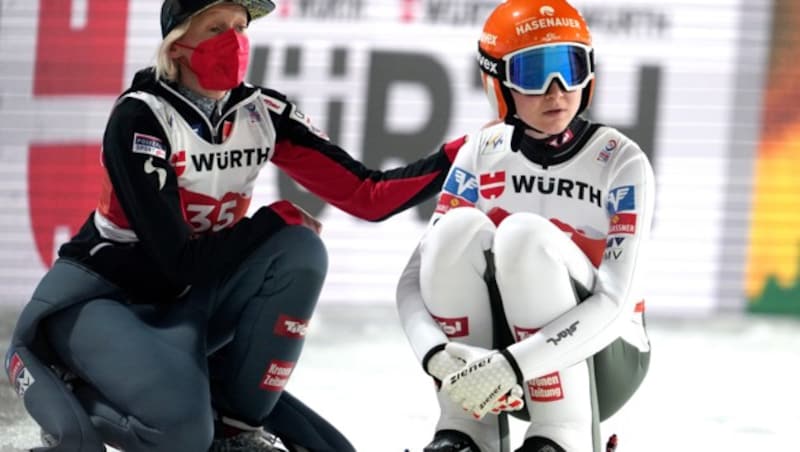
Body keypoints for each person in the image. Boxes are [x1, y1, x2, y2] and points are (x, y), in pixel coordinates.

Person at [4, 1, 465, 451]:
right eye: (215, 28)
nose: (234, 41)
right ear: (177, 44)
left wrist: (469, 150)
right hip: (105, 296)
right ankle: (71, 373)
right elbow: (177, 261)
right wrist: (270, 220)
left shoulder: (262, 112)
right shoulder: (141, 115)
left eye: (240, 27)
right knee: (182, 437)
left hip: (185, 300)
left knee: (300, 250)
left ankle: (235, 425)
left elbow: (369, 196)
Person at [396, 1, 654, 451]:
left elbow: (618, 300)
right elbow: (414, 279)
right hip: (494, 370)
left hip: (605, 360)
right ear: (498, 83)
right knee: (454, 230)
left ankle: (563, 435)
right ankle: (464, 430)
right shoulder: (482, 149)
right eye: (534, 73)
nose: (557, 91)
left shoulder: (622, 160)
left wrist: (516, 364)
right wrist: (436, 355)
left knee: (523, 236)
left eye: (571, 68)